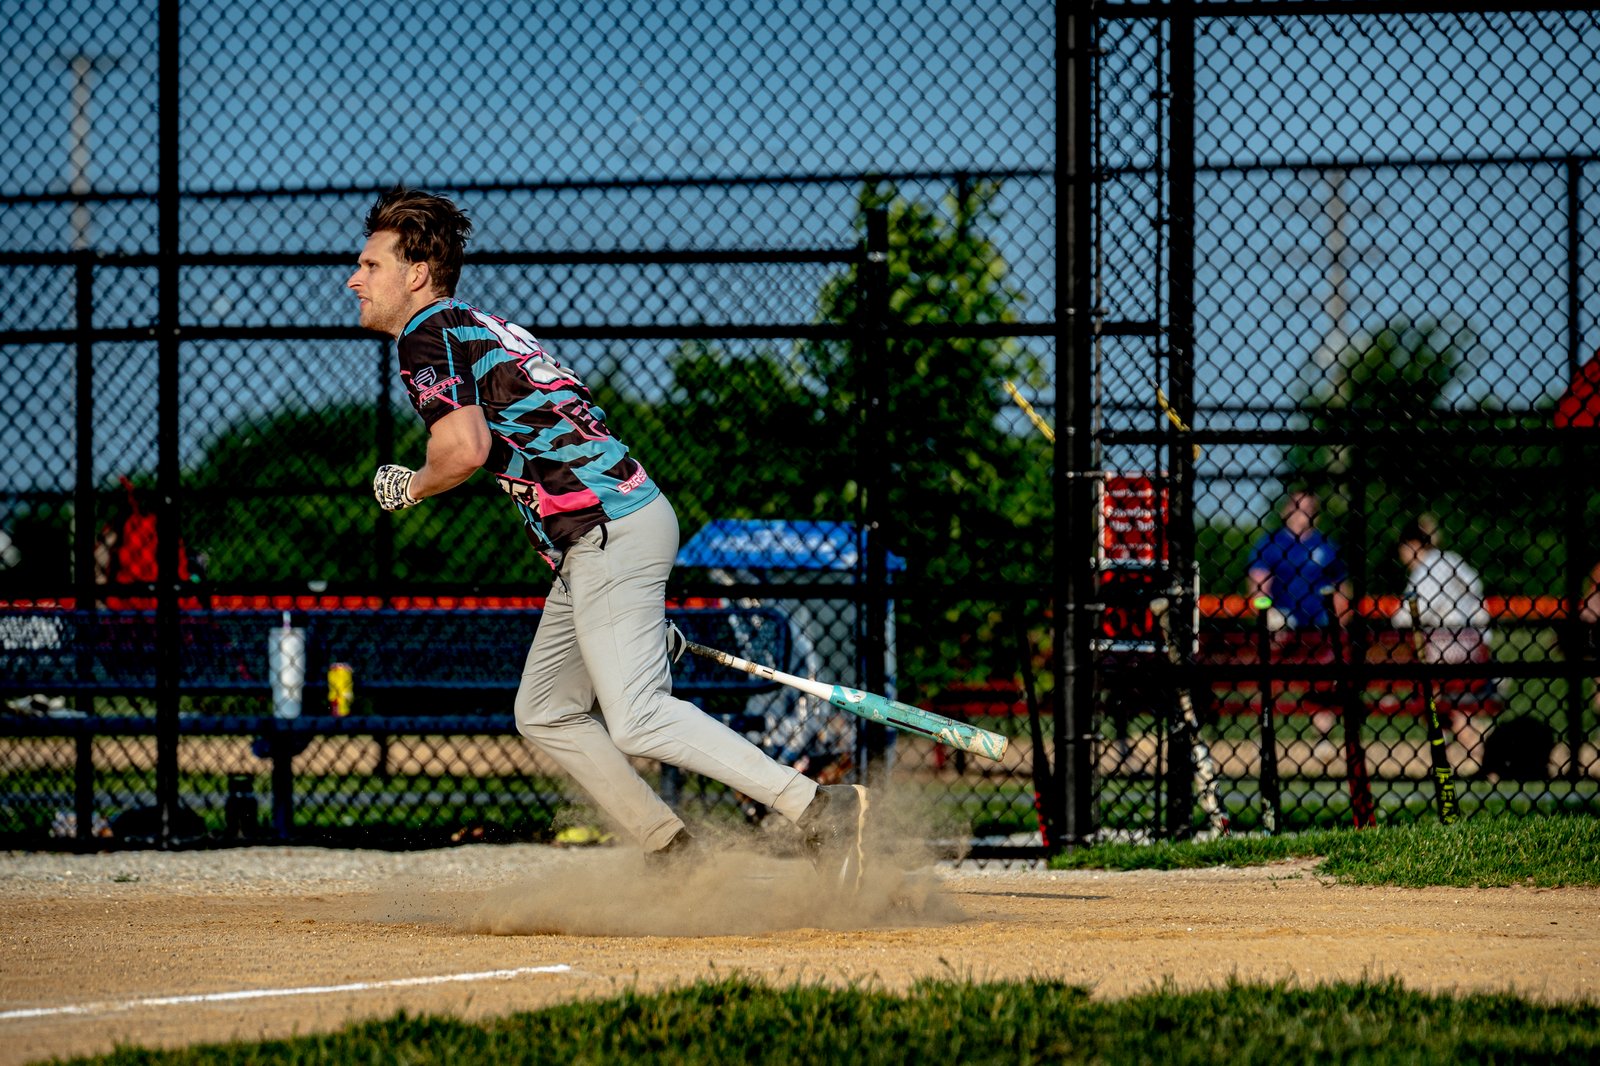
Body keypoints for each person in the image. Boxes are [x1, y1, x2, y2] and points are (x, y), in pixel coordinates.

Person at [346, 186, 868, 888]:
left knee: (638, 717)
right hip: (607, 531)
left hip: (605, 529)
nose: (354, 280)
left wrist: (410, 486)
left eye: (371, 265)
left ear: (416, 274)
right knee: (546, 711)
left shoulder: (426, 334)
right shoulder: (482, 326)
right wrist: (624, 617)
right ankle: (670, 850)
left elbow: (463, 450)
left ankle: (818, 808)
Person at [1388, 516, 1495, 772]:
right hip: (1475, 645)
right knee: (1451, 705)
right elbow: (1477, 591)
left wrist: (1395, 618)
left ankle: (1458, 750)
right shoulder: (1452, 560)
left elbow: (1410, 613)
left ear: (1412, 545)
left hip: (1448, 647)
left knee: (1436, 696)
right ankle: (1454, 748)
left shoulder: (1426, 568)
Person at [1247, 490, 1351, 629]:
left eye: (1308, 507)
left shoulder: (1328, 546)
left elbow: (1341, 589)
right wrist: (1269, 617)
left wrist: (1338, 624)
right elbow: (1258, 588)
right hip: (1283, 623)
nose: (1301, 512)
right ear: (1285, 511)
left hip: (1322, 623)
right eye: (1296, 505)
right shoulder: (1270, 544)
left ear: (1316, 515)